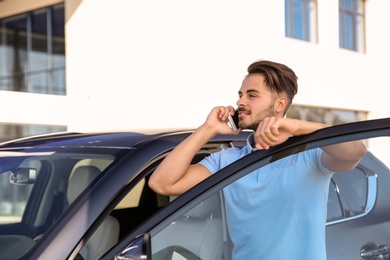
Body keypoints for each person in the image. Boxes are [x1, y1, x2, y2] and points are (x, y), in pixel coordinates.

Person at [148, 60, 367, 259]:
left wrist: (298, 126)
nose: (240, 102)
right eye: (240, 94)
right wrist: (207, 129)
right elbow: (162, 183)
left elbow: (356, 151)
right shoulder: (227, 160)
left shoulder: (310, 154)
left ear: (280, 105)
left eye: (251, 95)